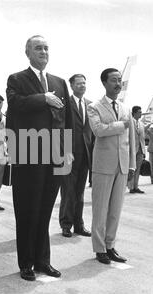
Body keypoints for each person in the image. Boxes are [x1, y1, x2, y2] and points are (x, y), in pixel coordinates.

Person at [6, 35, 72, 281]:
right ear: (28, 53)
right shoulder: (17, 79)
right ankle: (26, 262)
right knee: (27, 210)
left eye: (46, 48)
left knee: (45, 210)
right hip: (28, 154)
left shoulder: (59, 81)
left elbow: (68, 122)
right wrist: (43, 98)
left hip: (54, 155)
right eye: (38, 48)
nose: (43, 51)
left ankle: (43, 260)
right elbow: (15, 105)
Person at [87, 68, 136, 265]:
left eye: (120, 80)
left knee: (116, 209)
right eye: (114, 80)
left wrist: (132, 165)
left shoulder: (126, 108)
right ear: (105, 83)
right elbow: (98, 130)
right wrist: (120, 125)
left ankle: (110, 245)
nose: (118, 84)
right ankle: (99, 249)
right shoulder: (95, 107)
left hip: (122, 165)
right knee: (100, 209)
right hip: (103, 165)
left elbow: (131, 139)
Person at [59, 74, 92, 238]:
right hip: (68, 154)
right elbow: (60, 128)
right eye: (78, 84)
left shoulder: (90, 105)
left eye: (84, 83)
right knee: (68, 191)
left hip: (85, 155)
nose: (82, 86)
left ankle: (79, 225)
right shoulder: (65, 104)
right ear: (71, 86)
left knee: (80, 192)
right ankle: (66, 224)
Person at [127, 106, 148, 194]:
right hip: (132, 149)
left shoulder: (141, 124)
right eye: (139, 112)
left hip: (140, 149)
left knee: (138, 169)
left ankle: (136, 186)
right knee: (131, 169)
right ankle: (131, 187)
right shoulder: (129, 122)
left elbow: (142, 137)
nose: (141, 113)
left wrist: (143, 151)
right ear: (134, 113)